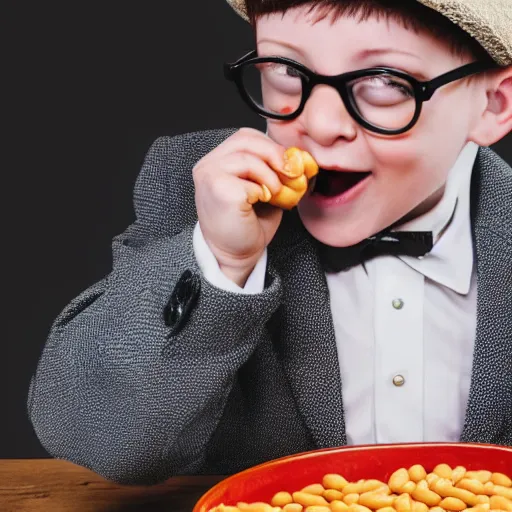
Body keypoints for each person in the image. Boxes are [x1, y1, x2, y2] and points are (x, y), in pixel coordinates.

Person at [28, 0, 512, 485]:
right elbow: (95, 437)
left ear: (494, 105)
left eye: (385, 81)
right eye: (285, 69)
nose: (320, 125)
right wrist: (220, 259)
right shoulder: (191, 194)